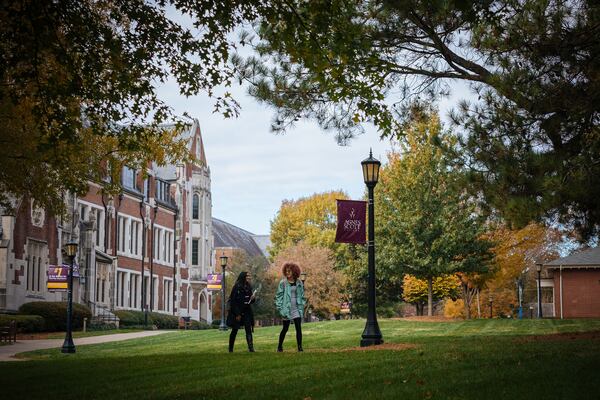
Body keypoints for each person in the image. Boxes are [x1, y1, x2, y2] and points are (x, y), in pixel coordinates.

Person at [275, 262, 306, 352]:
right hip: (286, 309)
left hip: (296, 308)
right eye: (286, 271)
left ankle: (300, 348)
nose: (287, 273)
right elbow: (279, 296)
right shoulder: (283, 283)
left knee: (298, 328)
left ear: (294, 271)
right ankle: (279, 347)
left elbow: (302, 294)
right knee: (285, 328)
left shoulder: (299, 282)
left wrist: (302, 304)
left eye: (289, 271)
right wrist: (280, 308)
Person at [226, 271, 256, 352]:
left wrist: (253, 299)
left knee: (248, 329)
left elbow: (250, 299)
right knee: (234, 330)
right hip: (237, 312)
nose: (249, 278)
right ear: (243, 277)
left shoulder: (248, 286)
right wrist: (237, 314)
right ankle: (230, 349)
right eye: (247, 276)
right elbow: (233, 301)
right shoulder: (237, 286)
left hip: (247, 311)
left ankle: (251, 348)